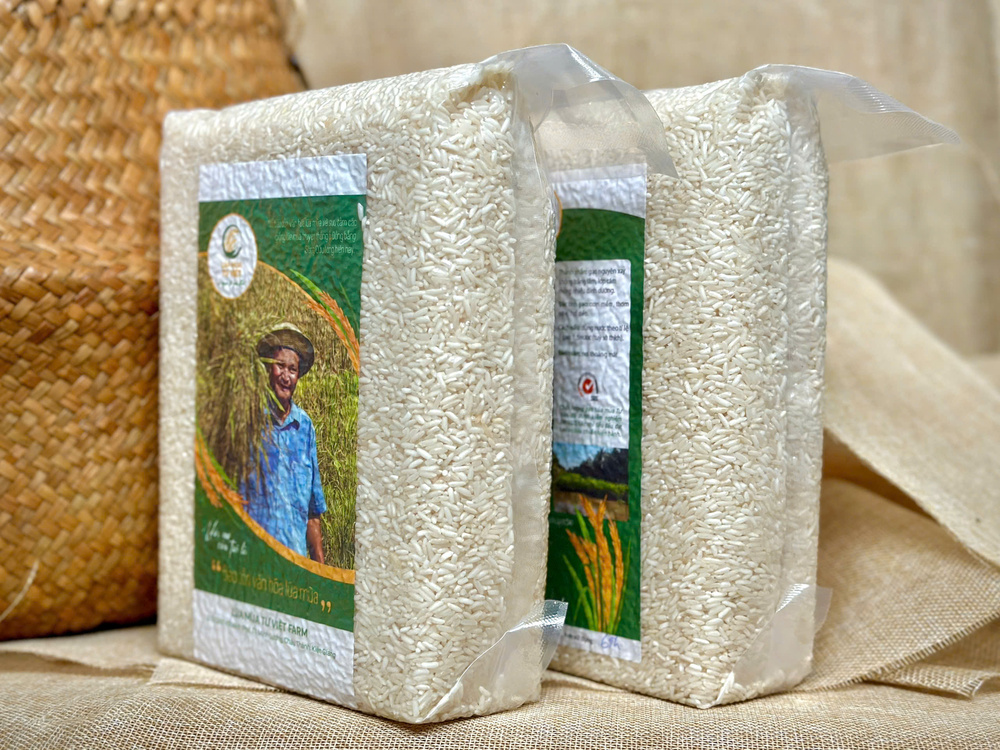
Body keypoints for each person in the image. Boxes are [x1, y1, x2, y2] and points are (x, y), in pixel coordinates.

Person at [240, 324, 326, 564]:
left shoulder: (305, 427)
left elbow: (313, 513)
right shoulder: (249, 421)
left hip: (294, 565)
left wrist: (321, 572)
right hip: (255, 562)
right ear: (268, 368)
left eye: (292, 369)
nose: (286, 376)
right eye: (280, 366)